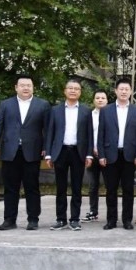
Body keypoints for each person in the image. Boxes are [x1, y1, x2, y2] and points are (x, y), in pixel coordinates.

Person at [0, 75, 51, 231]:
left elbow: (48, 129)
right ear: (16, 87)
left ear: (33, 87)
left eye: (29, 85)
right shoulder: (5, 104)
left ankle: (33, 219)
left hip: (32, 151)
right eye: (22, 85)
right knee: (10, 188)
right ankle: (9, 220)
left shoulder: (42, 105)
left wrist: (46, 148)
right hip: (10, 151)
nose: (26, 88)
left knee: (32, 187)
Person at [45, 79, 93, 231]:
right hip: (60, 152)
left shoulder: (86, 111)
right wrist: (48, 154)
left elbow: (90, 135)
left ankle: (74, 219)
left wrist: (89, 154)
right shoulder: (55, 110)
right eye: (70, 88)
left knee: (77, 187)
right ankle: (61, 219)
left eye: (76, 89)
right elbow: (50, 133)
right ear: (65, 91)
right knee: (61, 187)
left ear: (80, 92)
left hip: (78, 152)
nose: (73, 91)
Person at [97, 78, 136, 230]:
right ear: (116, 91)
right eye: (121, 89)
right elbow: (101, 134)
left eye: (127, 89)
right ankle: (111, 220)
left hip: (129, 156)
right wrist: (101, 155)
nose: (124, 92)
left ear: (130, 92)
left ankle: (127, 220)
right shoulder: (106, 110)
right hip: (110, 155)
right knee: (111, 190)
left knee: (128, 190)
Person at [82, 89, 109, 223]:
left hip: (107, 155)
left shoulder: (111, 115)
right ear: (93, 100)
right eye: (97, 98)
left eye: (103, 98)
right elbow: (85, 135)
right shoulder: (88, 115)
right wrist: (91, 150)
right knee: (93, 185)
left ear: (107, 100)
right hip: (92, 154)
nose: (100, 100)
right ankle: (93, 211)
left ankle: (111, 213)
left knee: (110, 185)